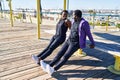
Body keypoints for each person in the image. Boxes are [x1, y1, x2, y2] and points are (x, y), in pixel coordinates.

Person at [41, 10, 95, 75]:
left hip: (75, 43)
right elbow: (71, 29)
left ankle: (54, 69)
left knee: (65, 56)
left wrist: (93, 43)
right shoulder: (73, 21)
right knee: (59, 53)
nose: (72, 16)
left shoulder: (84, 23)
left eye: (73, 15)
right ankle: (49, 66)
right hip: (69, 40)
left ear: (76, 16)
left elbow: (89, 33)